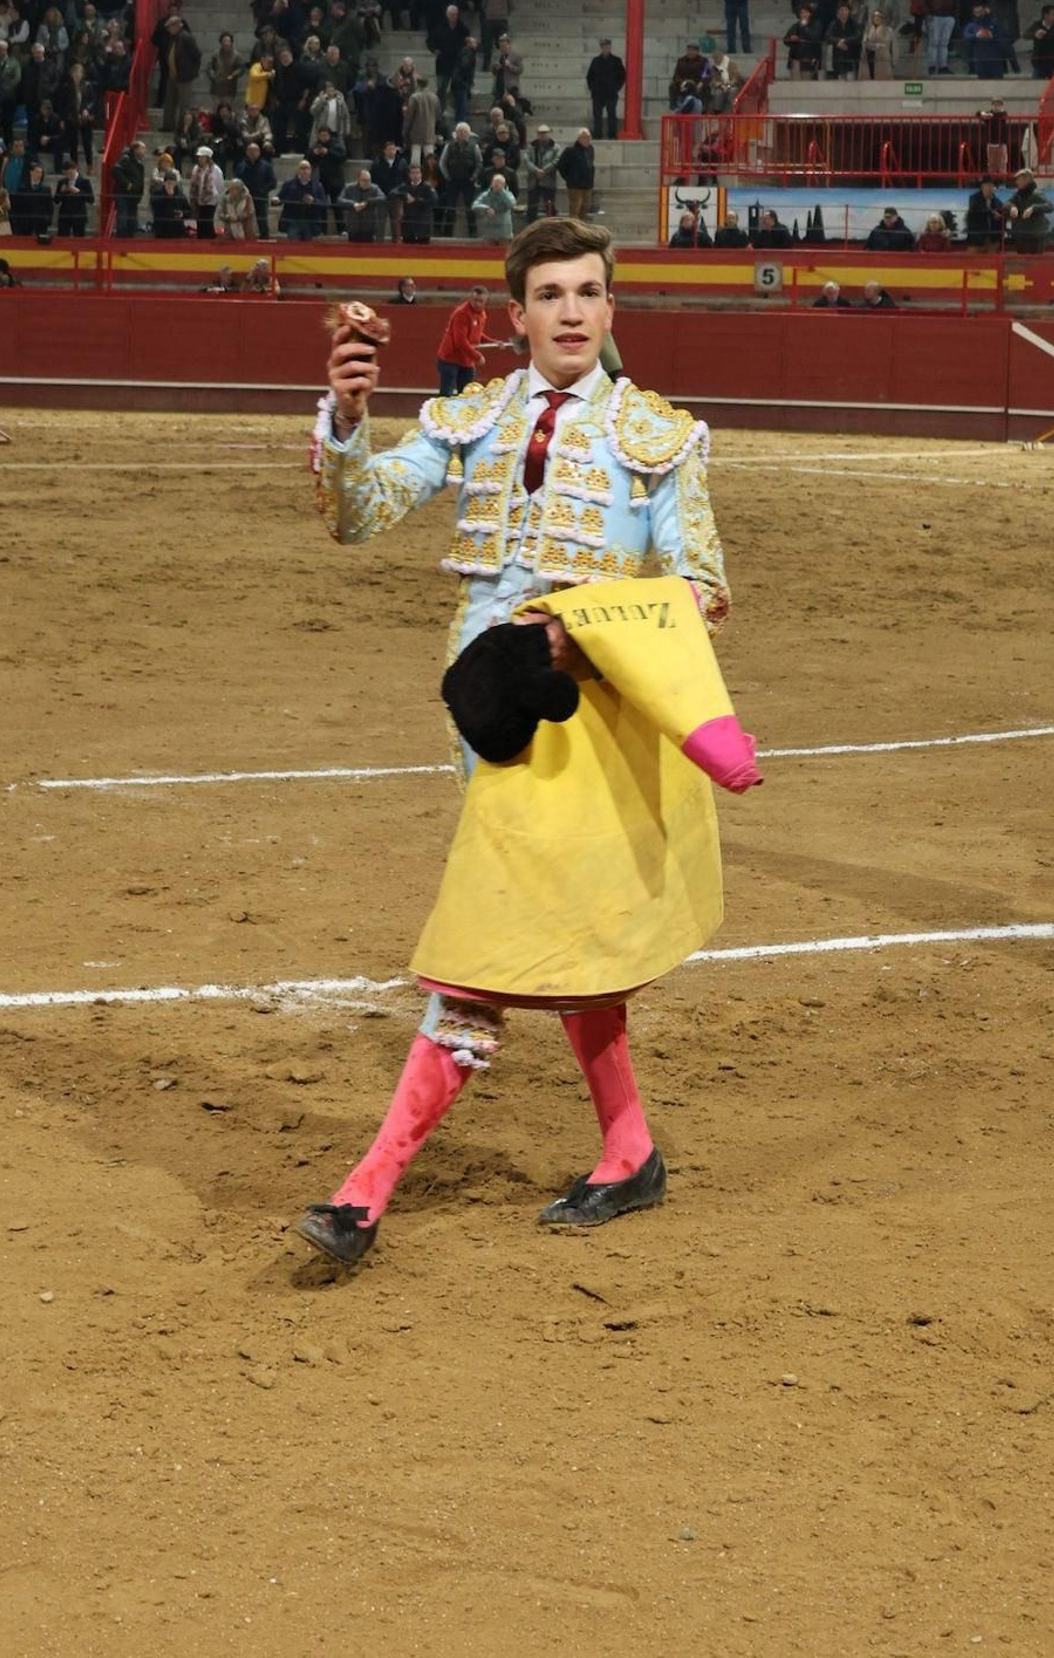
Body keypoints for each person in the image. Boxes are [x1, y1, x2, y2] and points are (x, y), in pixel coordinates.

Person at [299, 217, 738, 1268]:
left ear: (611, 308)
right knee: (563, 942)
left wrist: (568, 627)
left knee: (484, 953)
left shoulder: (658, 435)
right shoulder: (473, 419)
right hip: (483, 720)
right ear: (519, 315)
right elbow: (357, 518)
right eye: (551, 294)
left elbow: (703, 588)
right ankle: (628, 1149)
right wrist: (349, 416)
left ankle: (367, 1189)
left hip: (589, 720)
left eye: (589, 292)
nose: (572, 311)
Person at [436, 284, 490, 395]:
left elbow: (477, 335)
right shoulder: (462, 314)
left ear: (485, 301)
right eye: (475, 300)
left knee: (466, 395)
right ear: (470, 299)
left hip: (466, 361)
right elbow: (460, 341)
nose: (477, 304)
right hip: (450, 360)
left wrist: (494, 342)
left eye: (481, 301)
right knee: (446, 395)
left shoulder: (482, 314)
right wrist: (477, 356)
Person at [586, 39, 626, 140]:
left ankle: (612, 136)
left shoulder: (616, 60)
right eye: (603, 46)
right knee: (597, 116)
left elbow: (622, 76)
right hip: (598, 93)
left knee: (612, 115)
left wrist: (616, 88)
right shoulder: (596, 61)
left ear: (610, 47)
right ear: (601, 47)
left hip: (611, 93)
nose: (605, 48)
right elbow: (589, 77)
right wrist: (593, 88)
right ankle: (597, 136)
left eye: (607, 46)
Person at [556, 127, 596, 221]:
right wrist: (569, 178)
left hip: (588, 185)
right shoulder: (570, 150)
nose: (587, 139)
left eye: (589, 137)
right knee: (575, 210)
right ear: (579, 138)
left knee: (585, 209)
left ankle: (582, 229)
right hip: (575, 186)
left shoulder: (590, 149)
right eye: (584, 137)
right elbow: (561, 166)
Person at [965, 176, 1006, 249]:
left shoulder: (998, 202)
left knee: (992, 259)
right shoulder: (974, 198)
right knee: (974, 259)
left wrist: (1001, 217)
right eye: (986, 185)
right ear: (982, 187)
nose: (989, 188)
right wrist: (992, 212)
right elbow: (976, 209)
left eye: (991, 185)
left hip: (993, 239)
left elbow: (1002, 219)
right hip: (976, 239)